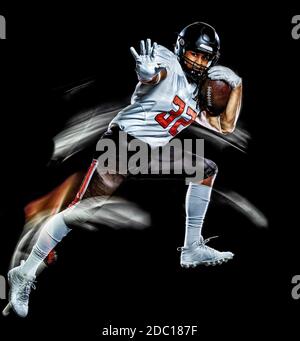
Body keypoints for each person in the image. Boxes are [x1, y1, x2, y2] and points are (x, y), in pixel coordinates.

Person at [4, 22, 242, 318]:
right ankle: (24, 273)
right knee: (79, 214)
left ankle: (192, 246)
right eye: (195, 54)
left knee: (205, 169)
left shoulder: (198, 91)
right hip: (122, 145)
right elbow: (156, 73)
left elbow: (226, 126)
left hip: (148, 152)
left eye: (206, 58)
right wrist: (147, 74)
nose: (199, 62)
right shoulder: (166, 59)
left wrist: (238, 85)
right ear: (182, 49)